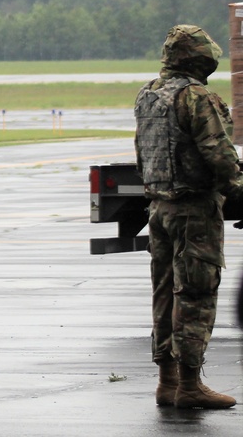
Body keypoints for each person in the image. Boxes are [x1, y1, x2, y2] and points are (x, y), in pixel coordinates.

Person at [134, 24, 241, 410]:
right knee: (194, 295)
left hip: (158, 208)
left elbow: (142, 154)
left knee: (164, 294)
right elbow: (220, 156)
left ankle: (167, 380)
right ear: (198, 58)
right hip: (194, 211)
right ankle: (190, 384)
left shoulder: (148, 95)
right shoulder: (196, 97)